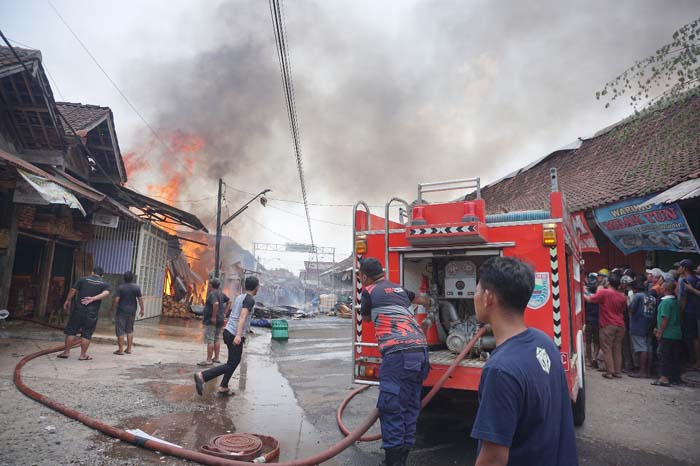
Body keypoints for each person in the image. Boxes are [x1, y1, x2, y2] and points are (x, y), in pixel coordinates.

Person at [470, 256, 578, 466]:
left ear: (488, 298)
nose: (474, 297)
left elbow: (493, 458)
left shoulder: (500, 370)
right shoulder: (544, 342)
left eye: (476, 290)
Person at [358, 257, 430, 466]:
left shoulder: (368, 292)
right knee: (409, 407)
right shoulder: (398, 289)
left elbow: (367, 319)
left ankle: (394, 463)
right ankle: (402, 459)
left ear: (364, 276)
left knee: (392, 409)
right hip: (421, 352)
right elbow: (421, 300)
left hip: (399, 355)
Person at [194, 275, 259, 397]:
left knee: (233, 361)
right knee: (232, 363)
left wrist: (245, 331)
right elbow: (242, 317)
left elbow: (238, 315)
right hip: (234, 333)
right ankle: (203, 376)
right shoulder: (250, 299)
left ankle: (223, 386)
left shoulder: (241, 297)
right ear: (256, 288)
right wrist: (239, 335)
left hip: (229, 331)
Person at [58, 266, 110, 360]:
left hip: (78, 310)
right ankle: (83, 355)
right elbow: (106, 293)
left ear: (92, 272)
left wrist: (67, 300)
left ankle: (66, 352)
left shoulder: (82, 279)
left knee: (71, 331)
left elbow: (73, 290)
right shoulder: (104, 284)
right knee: (87, 333)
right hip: (92, 313)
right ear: (102, 275)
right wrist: (93, 298)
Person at [585, 273, 627, 379]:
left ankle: (609, 372)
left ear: (608, 282)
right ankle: (617, 372)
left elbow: (590, 299)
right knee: (617, 348)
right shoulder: (622, 296)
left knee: (606, 348)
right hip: (620, 325)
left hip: (608, 324)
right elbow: (622, 310)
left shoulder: (604, 292)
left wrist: (581, 292)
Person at [652, 280, 682, 386]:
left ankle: (664, 377)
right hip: (676, 333)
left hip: (667, 333)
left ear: (664, 289)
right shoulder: (675, 301)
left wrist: (660, 331)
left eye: (661, 287)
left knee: (663, 356)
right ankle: (675, 377)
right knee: (674, 357)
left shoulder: (665, 302)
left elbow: (665, 318)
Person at [197, 278, 231, 367]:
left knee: (210, 339)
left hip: (212, 320)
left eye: (210, 284)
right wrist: (224, 313)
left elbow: (215, 304)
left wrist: (213, 317)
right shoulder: (221, 293)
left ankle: (208, 360)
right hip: (220, 319)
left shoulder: (212, 294)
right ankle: (216, 358)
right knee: (216, 338)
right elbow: (229, 301)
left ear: (211, 285)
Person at [109, 271, 144, 355]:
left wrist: (112, 309)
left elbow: (116, 300)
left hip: (121, 311)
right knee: (129, 329)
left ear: (124, 278)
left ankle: (120, 350)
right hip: (132, 311)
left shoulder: (120, 287)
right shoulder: (136, 287)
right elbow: (140, 299)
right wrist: (142, 309)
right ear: (132, 278)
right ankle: (129, 349)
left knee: (120, 330)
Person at [628, 277, 655, 378]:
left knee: (641, 348)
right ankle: (648, 371)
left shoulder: (637, 296)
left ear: (634, 289)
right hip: (649, 325)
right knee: (649, 348)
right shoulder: (651, 297)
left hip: (638, 325)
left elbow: (631, 310)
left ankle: (642, 371)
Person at [677, 259, 700, 371]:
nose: (678, 268)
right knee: (695, 337)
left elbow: (683, 298)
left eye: (680, 266)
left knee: (691, 337)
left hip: (689, 311)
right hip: (696, 310)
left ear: (684, 269)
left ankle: (695, 361)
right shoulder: (697, 278)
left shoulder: (684, 280)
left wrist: (680, 312)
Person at [584, 274, 600, 369]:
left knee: (588, 342)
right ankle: (595, 357)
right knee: (597, 342)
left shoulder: (587, 298)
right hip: (598, 322)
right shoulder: (599, 297)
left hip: (588, 321)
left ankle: (589, 360)